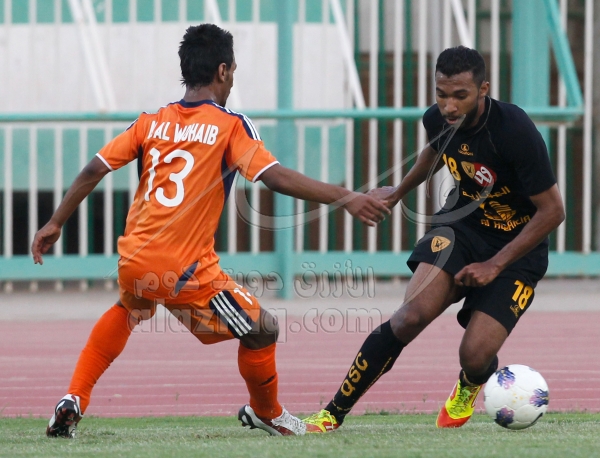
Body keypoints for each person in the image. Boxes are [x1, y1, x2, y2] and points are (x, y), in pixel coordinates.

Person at [32, 24, 390, 439]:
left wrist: (56, 222)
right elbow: (274, 177)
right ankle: (268, 412)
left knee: (130, 309)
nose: (233, 77)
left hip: (134, 257)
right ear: (223, 70)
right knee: (262, 329)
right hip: (184, 269)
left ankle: (74, 397)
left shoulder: (151, 122)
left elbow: (94, 169)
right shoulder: (230, 125)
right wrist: (347, 197)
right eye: (233, 69)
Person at [303, 46, 565, 432]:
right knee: (409, 317)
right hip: (461, 230)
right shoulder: (438, 118)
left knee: (474, 355)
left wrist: (494, 265)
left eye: (460, 95)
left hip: (515, 251)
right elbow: (435, 150)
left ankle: (469, 384)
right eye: (441, 94)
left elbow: (553, 212)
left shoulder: (514, 130)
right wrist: (397, 192)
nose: (449, 106)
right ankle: (332, 413)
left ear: (483, 89)